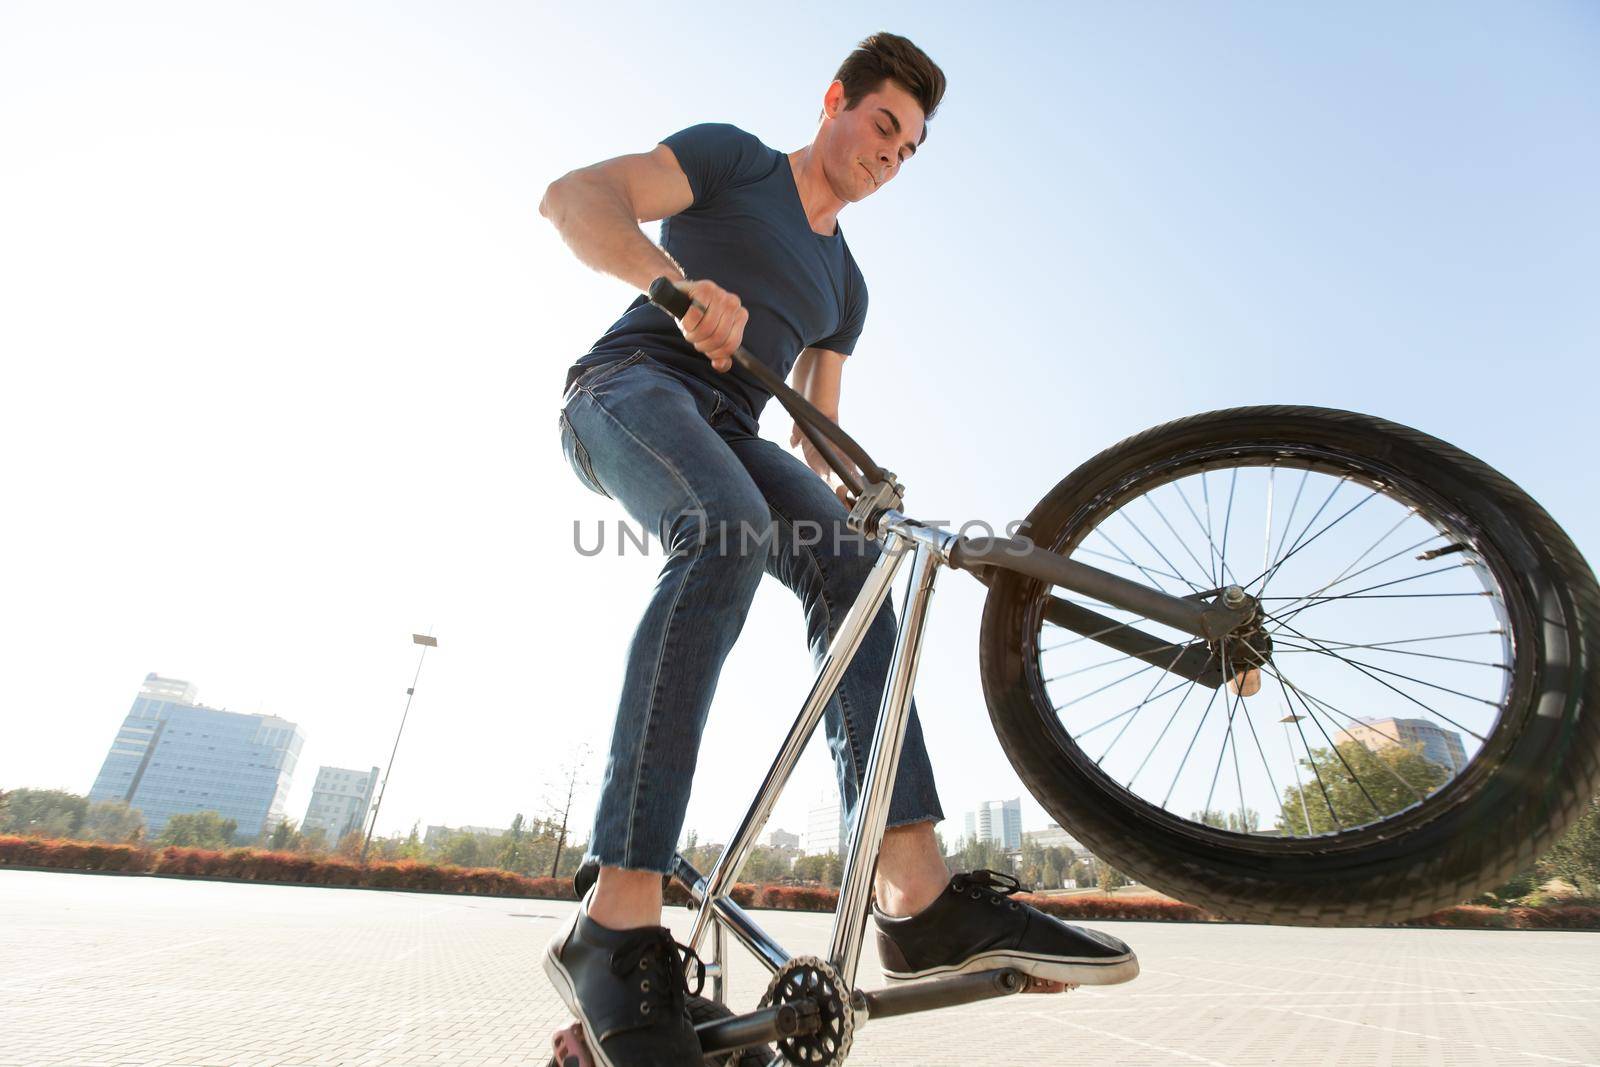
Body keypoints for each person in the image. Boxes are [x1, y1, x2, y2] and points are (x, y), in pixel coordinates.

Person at [538, 31, 1138, 1066]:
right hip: (631, 390)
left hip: (735, 429)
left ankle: (919, 896)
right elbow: (573, 197)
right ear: (835, 102)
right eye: (882, 127)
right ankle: (616, 912)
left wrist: (860, 492)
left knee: (852, 574)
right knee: (722, 532)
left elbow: (816, 431)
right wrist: (676, 288)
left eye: (907, 151)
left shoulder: (844, 286)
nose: (887, 157)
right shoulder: (734, 161)